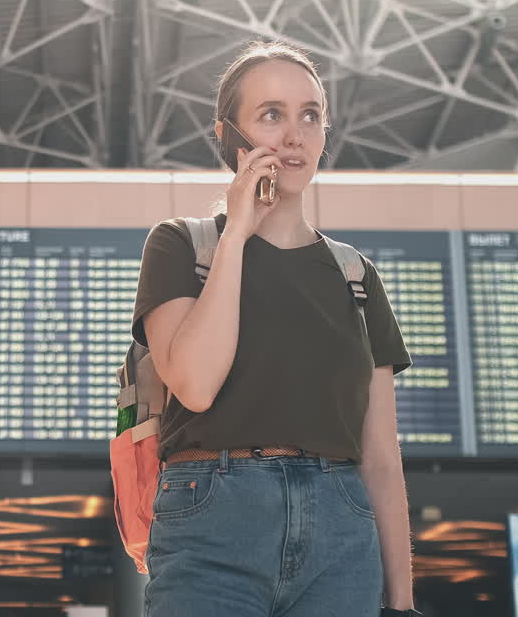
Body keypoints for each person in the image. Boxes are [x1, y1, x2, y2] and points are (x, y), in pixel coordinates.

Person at [133, 41, 419, 616]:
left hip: (342, 530)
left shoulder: (356, 276)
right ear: (228, 136)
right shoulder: (182, 245)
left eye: (310, 115)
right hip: (212, 518)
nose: (294, 135)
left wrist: (402, 603)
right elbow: (195, 383)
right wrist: (237, 234)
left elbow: (381, 458)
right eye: (271, 115)